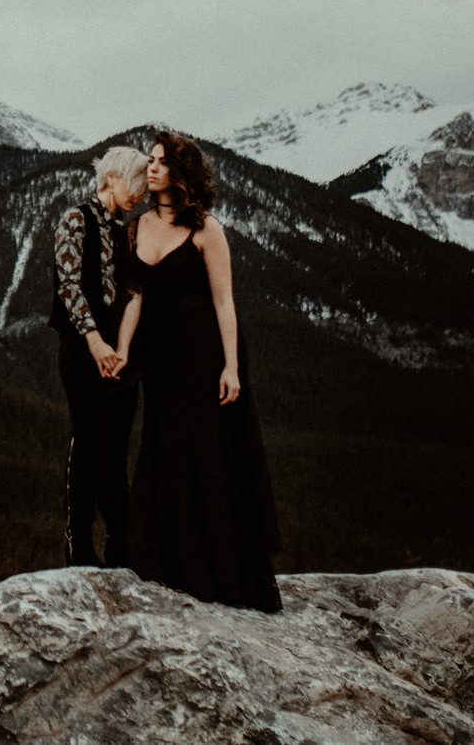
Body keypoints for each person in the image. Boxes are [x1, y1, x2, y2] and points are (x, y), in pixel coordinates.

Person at [110, 129, 282, 611]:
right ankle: (168, 564)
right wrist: (123, 351)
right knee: (165, 448)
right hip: (160, 360)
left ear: (181, 172)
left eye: (163, 161)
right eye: (151, 160)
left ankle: (219, 572)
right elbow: (135, 298)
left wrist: (232, 366)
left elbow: (225, 301)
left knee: (206, 453)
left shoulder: (207, 229)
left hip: (204, 355)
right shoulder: (135, 228)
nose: (153, 167)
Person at [47, 144, 149, 567]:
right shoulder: (76, 219)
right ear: (113, 178)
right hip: (82, 350)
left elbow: (131, 294)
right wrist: (94, 342)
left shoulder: (124, 232)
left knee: (114, 449)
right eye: (138, 183)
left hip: (120, 357)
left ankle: (120, 543)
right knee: (87, 440)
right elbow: (68, 286)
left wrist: (121, 349)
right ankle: (78, 543)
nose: (142, 193)